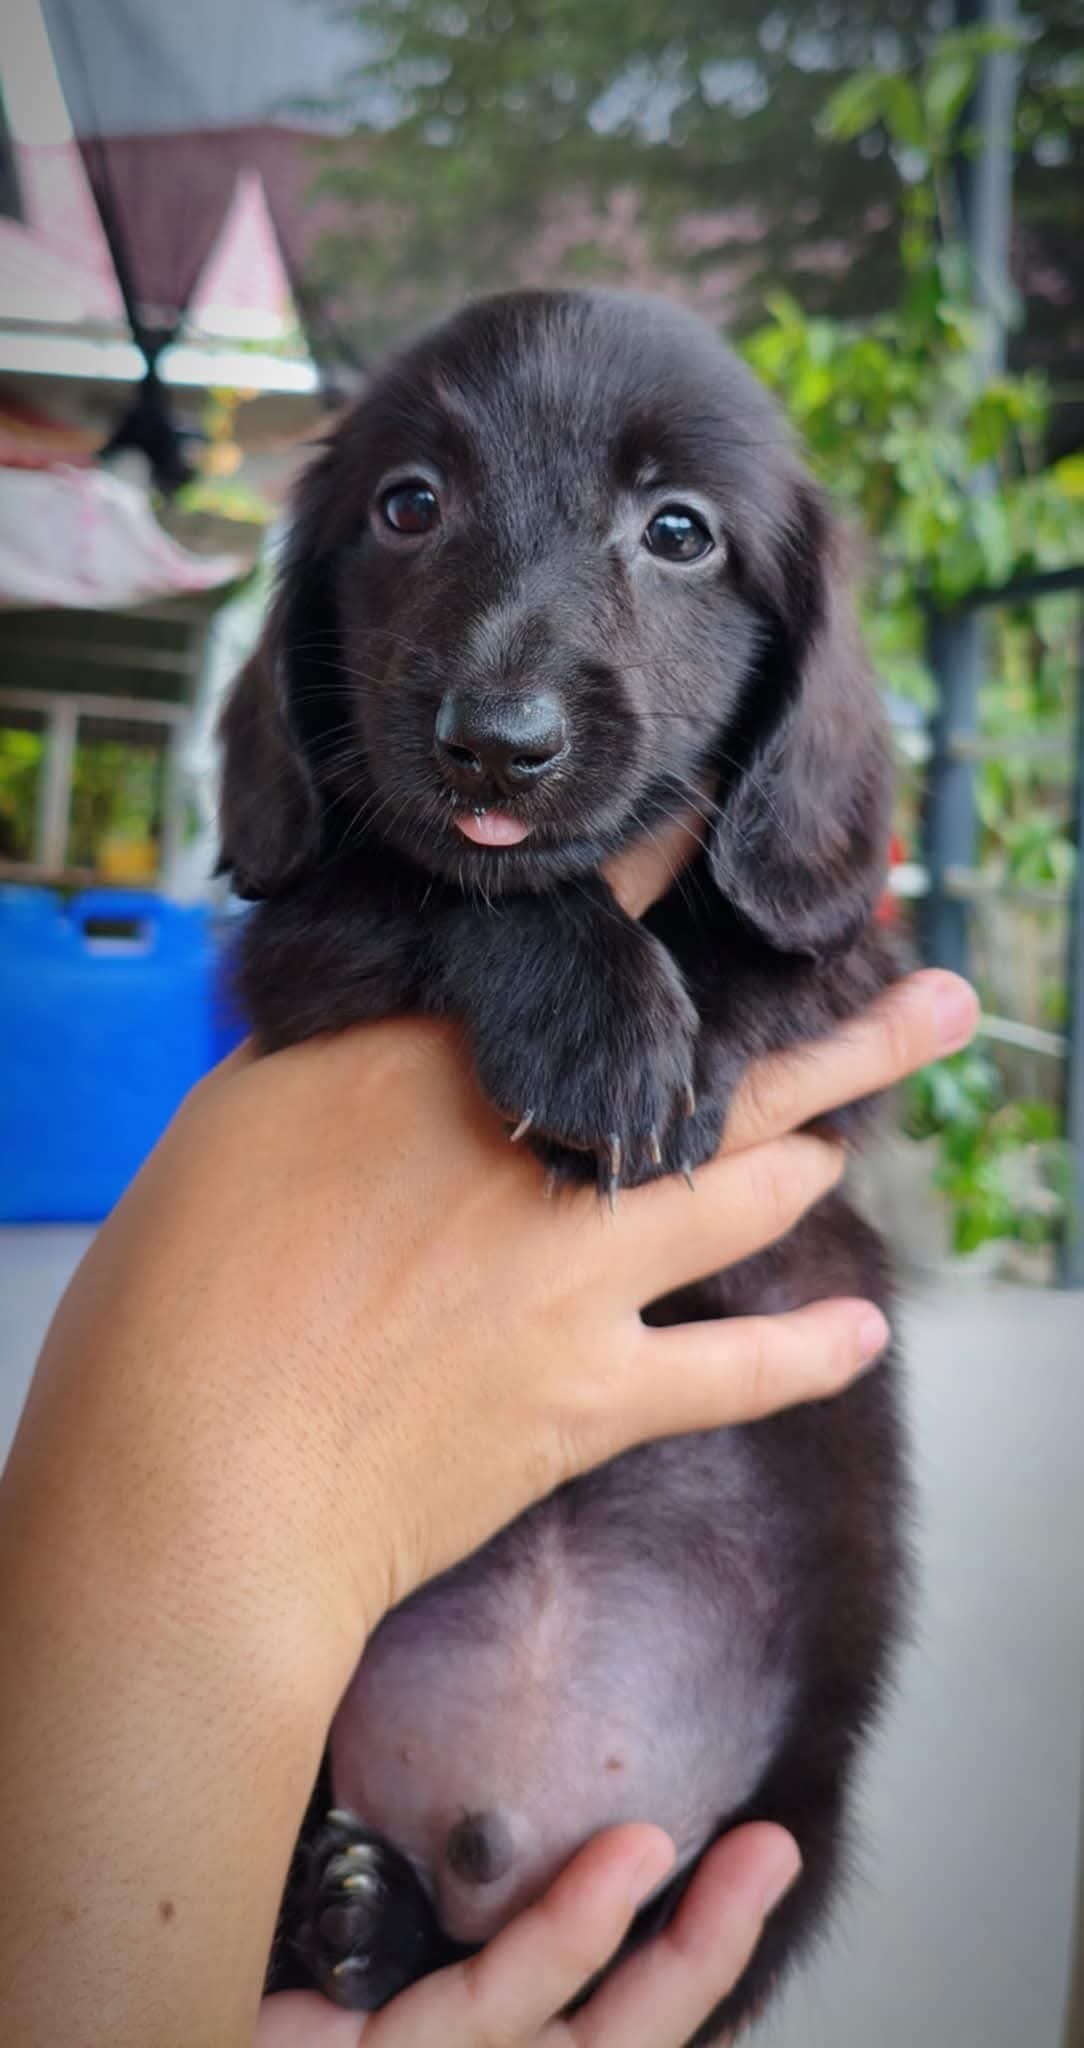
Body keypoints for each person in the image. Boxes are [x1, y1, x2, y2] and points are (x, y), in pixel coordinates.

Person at [0, 810, 978, 2048]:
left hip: (687, 1805)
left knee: (759, 1873)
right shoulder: (359, 882)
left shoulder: (769, 874)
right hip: (267, 1808)